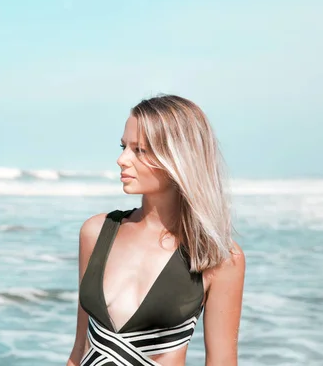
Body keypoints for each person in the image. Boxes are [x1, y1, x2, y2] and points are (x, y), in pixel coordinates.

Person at [66, 95, 245, 366]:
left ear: (178, 157)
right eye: (124, 146)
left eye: (140, 150)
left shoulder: (219, 257)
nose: (121, 159)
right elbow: (80, 349)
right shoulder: (96, 232)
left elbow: (222, 362)